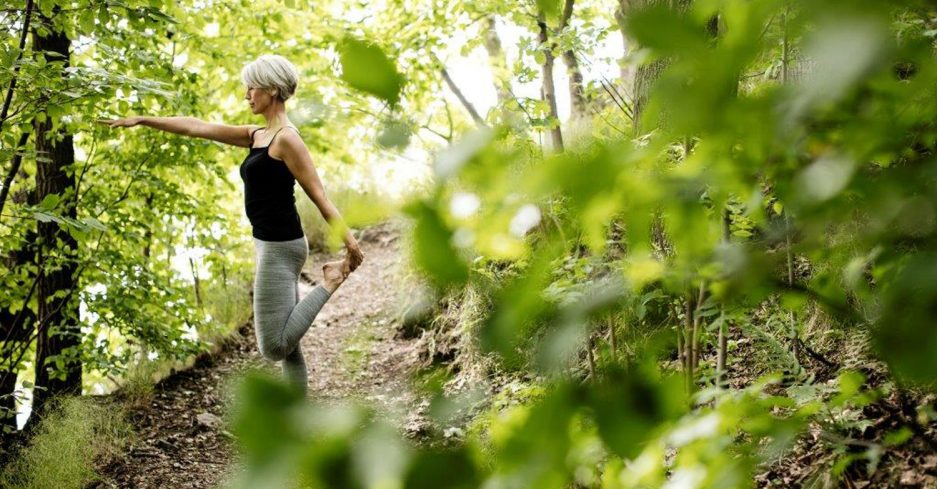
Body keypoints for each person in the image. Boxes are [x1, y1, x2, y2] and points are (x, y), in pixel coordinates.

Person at [98, 54, 365, 395]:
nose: (246, 94)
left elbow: (319, 195)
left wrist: (350, 243)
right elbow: (196, 127)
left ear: (271, 88)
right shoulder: (257, 135)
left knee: (274, 346)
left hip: (281, 246)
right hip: (269, 244)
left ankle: (330, 281)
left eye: (252, 87)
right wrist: (144, 120)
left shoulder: (287, 138)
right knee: (289, 343)